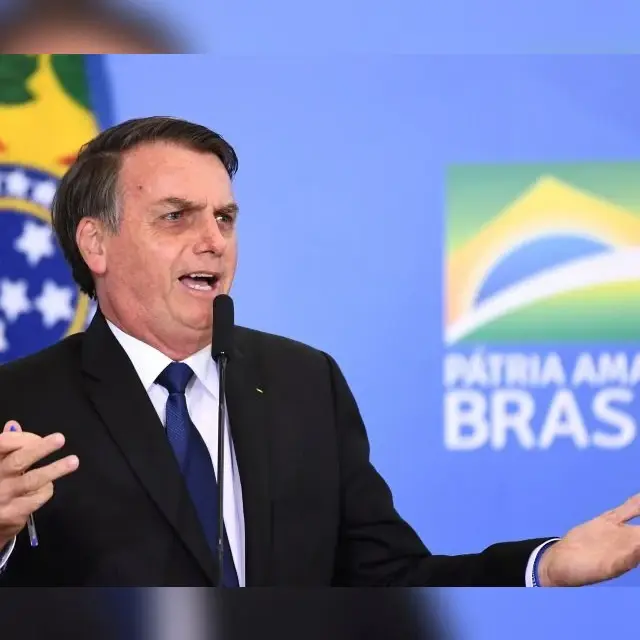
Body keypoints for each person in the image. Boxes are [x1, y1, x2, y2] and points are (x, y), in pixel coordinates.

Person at [0, 116, 639, 587]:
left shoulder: (303, 381)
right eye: (176, 217)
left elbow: (386, 580)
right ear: (96, 244)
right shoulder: (21, 401)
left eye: (225, 218)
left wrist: (542, 567)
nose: (214, 240)